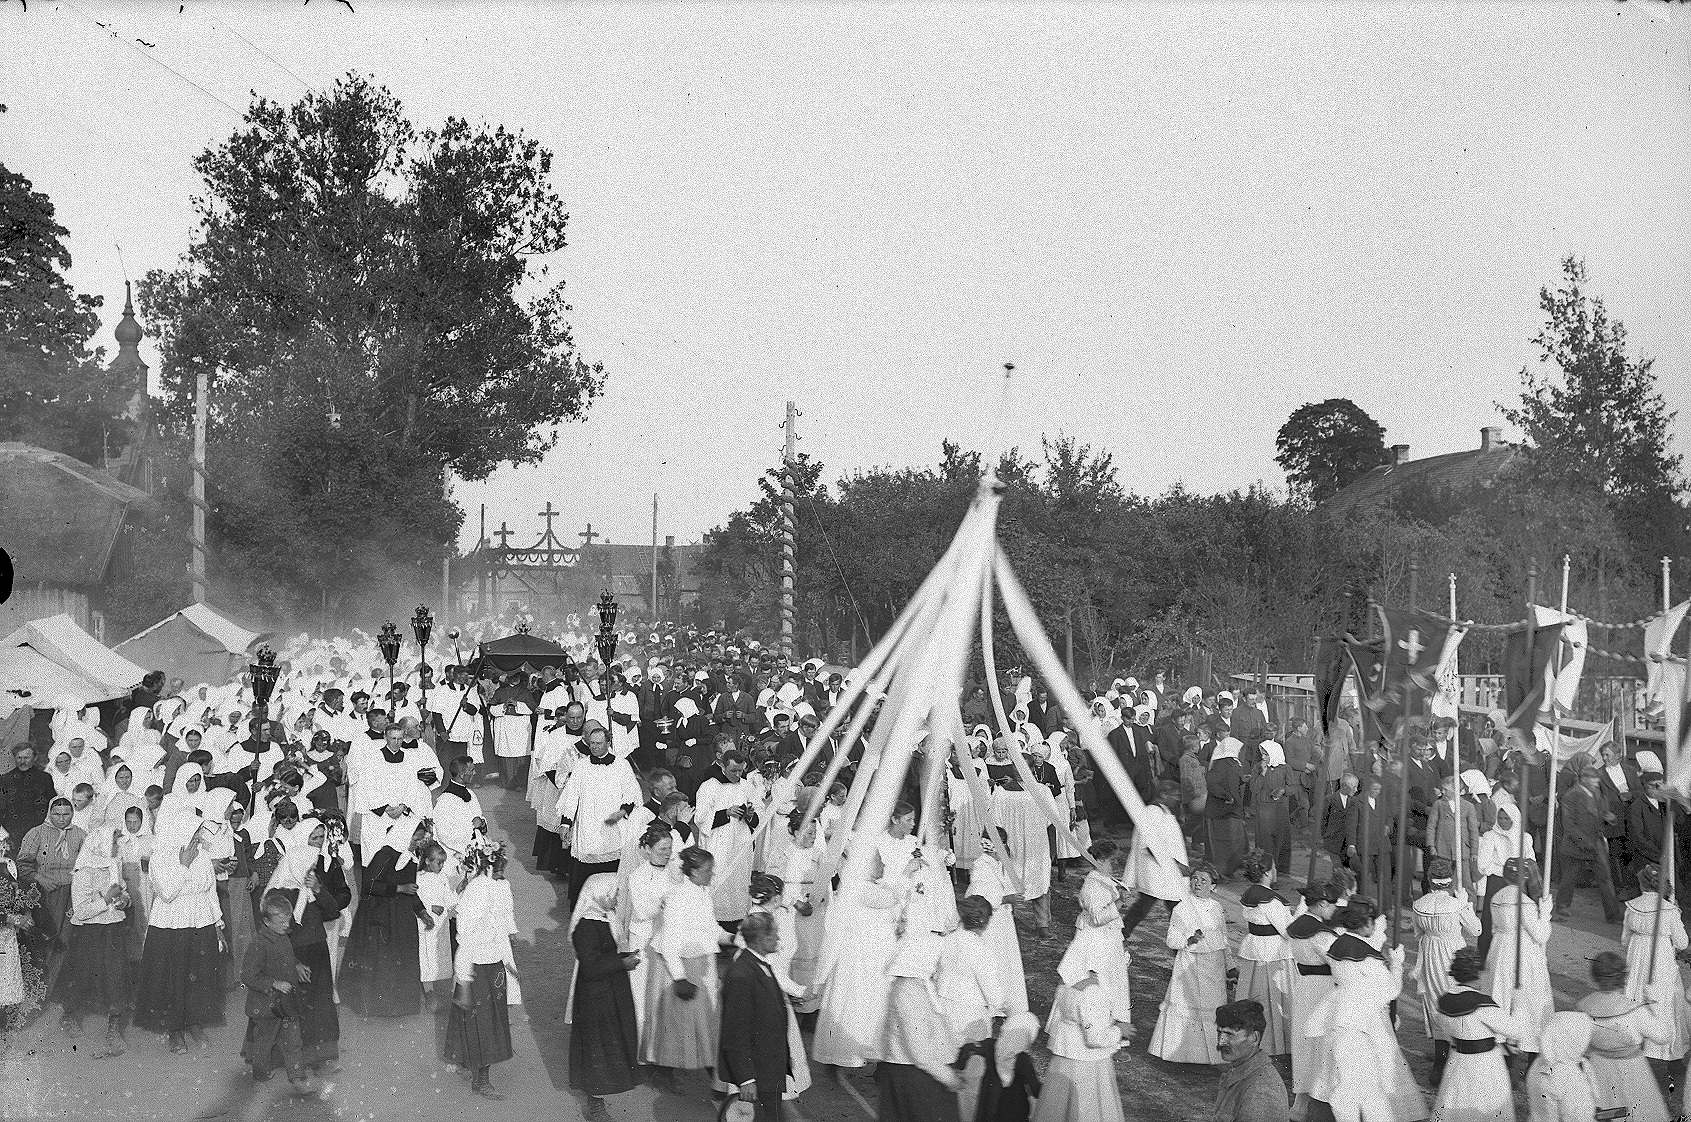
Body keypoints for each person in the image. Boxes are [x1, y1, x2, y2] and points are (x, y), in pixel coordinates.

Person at [1306, 898, 1425, 1122]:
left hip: (1339, 1009)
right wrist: (1397, 964)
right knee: (1372, 1078)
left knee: (1339, 1073)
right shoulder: (1367, 957)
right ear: (1367, 923)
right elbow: (1390, 991)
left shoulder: (1338, 945)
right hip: (1363, 1017)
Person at [263, 817, 351, 1075]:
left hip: (317, 949)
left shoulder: (310, 889)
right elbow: (278, 934)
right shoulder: (280, 894)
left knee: (320, 1004)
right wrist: (294, 962)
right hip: (293, 955)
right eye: (309, 866)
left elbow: (333, 912)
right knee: (292, 1005)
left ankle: (321, 1058)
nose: (312, 870)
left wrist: (319, 889)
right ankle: (291, 1058)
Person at [643, 845, 733, 1092]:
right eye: (707, 870)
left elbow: (711, 928)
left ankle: (710, 1075)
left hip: (704, 963)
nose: (712, 874)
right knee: (684, 1023)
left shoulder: (703, 893)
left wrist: (732, 938)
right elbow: (670, 940)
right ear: (692, 871)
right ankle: (672, 1073)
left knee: (700, 1022)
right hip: (683, 966)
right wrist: (680, 978)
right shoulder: (677, 898)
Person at [134, 810, 225, 1052]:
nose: (197, 837)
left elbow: (210, 891)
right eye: (194, 832)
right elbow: (166, 892)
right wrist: (183, 865)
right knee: (173, 976)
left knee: (198, 974)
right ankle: (175, 1030)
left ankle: (193, 1022)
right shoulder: (159, 858)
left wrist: (218, 924)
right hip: (171, 925)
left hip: (201, 921)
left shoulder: (203, 856)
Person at [445, 838, 518, 1100]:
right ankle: (481, 1079)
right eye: (496, 867)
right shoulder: (476, 892)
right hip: (475, 966)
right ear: (484, 866)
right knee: (481, 1023)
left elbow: (503, 929)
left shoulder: (501, 887)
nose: (501, 872)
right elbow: (464, 938)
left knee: (491, 1019)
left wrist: (508, 962)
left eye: (502, 867)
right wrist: (463, 979)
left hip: (495, 963)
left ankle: (472, 1065)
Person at [1034, 924, 1128, 1122]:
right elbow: (1093, 1037)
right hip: (1089, 1060)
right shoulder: (1092, 992)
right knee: (1087, 1107)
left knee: (1058, 1106)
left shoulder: (1066, 985)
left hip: (1064, 1054)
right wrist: (1119, 1030)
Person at [567, 872, 641, 1121]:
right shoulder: (587, 926)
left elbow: (604, 955)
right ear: (600, 894)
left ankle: (601, 1093)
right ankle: (594, 1101)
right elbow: (591, 967)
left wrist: (624, 956)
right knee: (596, 1044)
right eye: (614, 893)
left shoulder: (603, 918)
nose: (618, 898)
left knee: (606, 1042)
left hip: (606, 992)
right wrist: (623, 963)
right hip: (595, 996)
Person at [341, 812, 430, 1017]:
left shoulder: (409, 858)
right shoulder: (385, 855)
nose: (416, 844)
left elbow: (411, 889)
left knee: (400, 960)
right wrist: (398, 889)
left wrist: (421, 911)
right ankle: (379, 1006)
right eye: (415, 839)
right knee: (382, 962)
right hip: (381, 916)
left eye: (419, 841)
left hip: (401, 917)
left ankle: (398, 1006)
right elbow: (369, 886)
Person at [55, 824, 131, 1056]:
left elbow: (124, 892)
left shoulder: (113, 865)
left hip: (113, 929)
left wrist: (124, 901)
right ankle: (69, 1016)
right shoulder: (83, 872)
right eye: (114, 842)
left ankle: (114, 1027)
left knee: (115, 974)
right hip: (89, 932)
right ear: (101, 844)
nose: (117, 846)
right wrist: (106, 899)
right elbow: (80, 911)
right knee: (82, 974)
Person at [1429, 946, 1523, 1122]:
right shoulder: (1481, 1004)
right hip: (1486, 1064)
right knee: (1486, 1107)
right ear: (1478, 974)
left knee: (1456, 1103)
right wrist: (1518, 1003)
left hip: (1457, 1060)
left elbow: (1446, 1030)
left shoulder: (1443, 1001)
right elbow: (1515, 1030)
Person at [719, 910, 796, 1122]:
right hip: (758, 1073)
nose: (779, 938)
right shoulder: (742, 974)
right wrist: (745, 1079)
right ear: (762, 939)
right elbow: (735, 1033)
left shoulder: (759, 965)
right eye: (775, 934)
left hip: (769, 1068)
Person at [877, 932, 962, 1122]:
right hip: (913, 1075)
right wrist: (946, 1076)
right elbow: (918, 1048)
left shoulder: (918, 985)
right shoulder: (909, 991)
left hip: (915, 1071)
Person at [1149, 861, 1228, 1065]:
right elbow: (1171, 939)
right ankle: (1183, 1054)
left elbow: (1224, 938)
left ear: (1213, 886)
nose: (1198, 883)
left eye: (1203, 880)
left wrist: (1230, 964)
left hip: (1213, 966)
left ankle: (1212, 1055)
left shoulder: (1217, 907)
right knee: (1187, 1006)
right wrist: (1188, 940)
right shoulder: (1182, 908)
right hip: (1189, 965)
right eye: (1194, 879)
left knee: (1213, 1007)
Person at [557, 724, 643, 911]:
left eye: (599, 743)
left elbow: (632, 794)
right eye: (592, 743)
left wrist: (622, 811)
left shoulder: (622, 765)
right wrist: (565, 822)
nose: (594, 747)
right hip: (588, 824)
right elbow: (572, 795)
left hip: (612, 827)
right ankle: (584, 907)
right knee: (586, 865)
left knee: (612, 867)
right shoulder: (581, 766)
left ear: (608, 742)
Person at [1577, 950, 1670, 1122]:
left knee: (1606, 1113)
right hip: (1632, 1070)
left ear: (1595, 976)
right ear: (1622, 977)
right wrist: (1654, 1006)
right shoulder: (1633, 1010)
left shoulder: (1583, 1006)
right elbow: (1663, 1036)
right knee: (1637, 1112)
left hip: (1598, 1069)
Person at [1411, 858, 1481, 1085]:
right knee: (1455, 999)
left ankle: (1440, 1065)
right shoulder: (1456, 905)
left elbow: (1417, 934)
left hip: (1430, 953)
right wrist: (1466, 904)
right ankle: (1452, 1060)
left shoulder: (1419, 904)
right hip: (1452, 953)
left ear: (1430, 880)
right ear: (1449, 882)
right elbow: (1476, 930)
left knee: (1435, 1002)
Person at [240, 890, 315, 1094]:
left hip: (287, 1002)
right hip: (267, 1007)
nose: (286, 925)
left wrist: (297, 965)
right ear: (266, 921)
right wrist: (273, 983)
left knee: (293, 1040)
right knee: (265, 1041)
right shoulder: (259, 944)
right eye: (281, 921)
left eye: (288, 920)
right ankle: (261, 1072)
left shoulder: (282, 936)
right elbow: (247, 976)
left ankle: (298, 1078)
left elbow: (286, 959)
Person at [1617, 864, 1689, 1061]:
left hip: (1637, 955)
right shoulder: (1670, 910)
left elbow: (1624, 940)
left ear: (1641, 884)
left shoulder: (1632, 906)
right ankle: (1658, 1047)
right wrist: (1676, 917)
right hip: (1661, 957)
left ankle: (1636, 1040)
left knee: (1637, 994)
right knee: (1660, 996)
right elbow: (1682, 943)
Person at [1485, 858, 1553, 1058]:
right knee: (1529, 999)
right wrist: (1545, 914)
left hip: (1499, 949)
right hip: (1523, 952)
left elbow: (1494, 928)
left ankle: (1504, 1049)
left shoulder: (1497, 897)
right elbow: (1540, 935)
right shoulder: (1525, 903)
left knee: (1502, 996)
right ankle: (1527, 1047)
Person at [1285, 881, 1339, 1119]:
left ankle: (1300, 1102)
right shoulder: (1321, 935)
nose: (1334, 910)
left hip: (1304, 986)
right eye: (1332, 904)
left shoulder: (1297, 926)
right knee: (1321, 1042)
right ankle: (1319, 1100)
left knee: (1303, 1042)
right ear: (1322, 903)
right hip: (1323, 990)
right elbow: (1337, 963)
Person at [1235, 851, 1294, 1056]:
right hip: (1272, 952)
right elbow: (1288, 931)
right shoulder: (1271, 901)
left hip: (1255, 949)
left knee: (1254, 995)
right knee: (1272, 999)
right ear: (1267, 873)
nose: (1276, 871)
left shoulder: (1250, 895)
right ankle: (1273, 1045)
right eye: (1274, 867)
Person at [967, 832, 1029, 1016]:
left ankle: (1004, 999)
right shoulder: (980, 865)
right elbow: (978, 894)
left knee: (1005, 958)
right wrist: (1004, 898)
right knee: (991, 958)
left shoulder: (1001, 863)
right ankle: (990, 1001)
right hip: (989, 920)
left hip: (1003, 918)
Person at [1553, 766, 1621, 924]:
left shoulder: (1596, 793)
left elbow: (1600, 813)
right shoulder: (1570, 796)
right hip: (1575, 845)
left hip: (1596, 843)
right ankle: (1561, 908)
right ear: (1584, 779)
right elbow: (1569, 826)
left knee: (1605, 878)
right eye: (1594, 780)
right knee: (1569, 878)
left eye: (1597, 779)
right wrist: (1585, 843)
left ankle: (1614, 915)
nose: (1597, 783)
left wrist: (1609, 818)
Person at [1120, 794, 1189, 942]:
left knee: (1171, 906)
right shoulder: (1152, 812)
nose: (1177, 798)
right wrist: (1175, 865)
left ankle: (1122, 933)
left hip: (1163, 871)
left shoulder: (1164, 810)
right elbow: (1151, 845)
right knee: (1149, 906)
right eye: (1175, 795)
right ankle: (1121, 934)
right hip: (1156, 870)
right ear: (1164, 794)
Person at [20, 796, 84, 946]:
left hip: (71, 896)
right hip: (44, 894)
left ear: (73, 814)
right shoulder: (36, 833)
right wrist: (41, 879)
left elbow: (88, 865)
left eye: (66, 814)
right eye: (57, 814)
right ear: (49, 813)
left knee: (69, 940)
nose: (61, 819)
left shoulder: (80, 834)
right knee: (48, 938)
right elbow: (22, 865)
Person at [1213, 999, 1290, 1122]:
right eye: (1220, 1033)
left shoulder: (1260, 1091)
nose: (1221, 1041)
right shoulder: (1243, 1072)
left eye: (1229, 1034)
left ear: (1254, 1038)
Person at [1524, 1013, 1601, 1122]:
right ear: (1572, 1040)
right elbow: (1578, 1116)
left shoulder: (1542, 1061)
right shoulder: (1567, 1075)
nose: (1588, 1041)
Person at [973, 1011, 1042, 1122]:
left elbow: (971, 1048)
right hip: (1015, 1113)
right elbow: (1035, 1089)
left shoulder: (991, 1045)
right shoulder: (1022, 1059)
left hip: (989, 1109)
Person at [1205, 738, 1249, 880]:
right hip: (1221, 810)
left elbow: (1229, 780)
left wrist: (1242, 779)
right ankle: (1219, 872)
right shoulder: (1221, 764)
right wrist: (1225, 796)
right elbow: (1212, 783)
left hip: (1232, 809)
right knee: (1222, 844)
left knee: (1234, 841)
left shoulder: (1232, 763)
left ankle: (1229, 869)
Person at [1252, 742, 1294, 878]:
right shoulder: (1258, 768)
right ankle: (1266, 871)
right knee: (1265, 839)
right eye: (1262, 754)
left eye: (1266, 754)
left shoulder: (1285, 768)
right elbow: (1253, 789)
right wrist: (1262, 774)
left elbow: (1293, 788)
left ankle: (1281, 869)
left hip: (1280, 807)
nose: (1264, 758)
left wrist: (1283, 790)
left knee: (1281, 836)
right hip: (1264, 808)